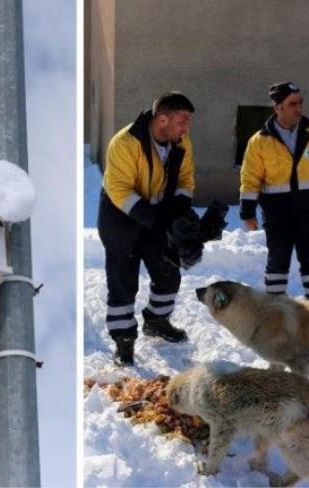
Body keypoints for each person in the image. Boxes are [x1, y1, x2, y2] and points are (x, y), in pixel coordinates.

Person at [97, 91, 199, 367]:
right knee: (122, 281)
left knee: (168, 272)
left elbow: (186, 180)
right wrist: (158, 222)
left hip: (158, 213)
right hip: (121, 217)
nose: (186, 128)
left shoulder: (181, 142)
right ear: (162, 119)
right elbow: (120, 191)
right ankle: (124, 341)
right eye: (182, 121)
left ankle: (156, 321)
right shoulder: (125, 143)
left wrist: (178, 216)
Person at [239, 82, 309, 300]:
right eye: (292, 103)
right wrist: (247, 212)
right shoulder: (259, 141)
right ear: (277, 108)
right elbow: (250, 178)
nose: (299, 108)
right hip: (278, 212)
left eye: (300, 102)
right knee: (278, 261)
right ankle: (275, 314)